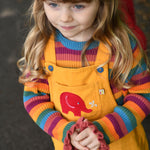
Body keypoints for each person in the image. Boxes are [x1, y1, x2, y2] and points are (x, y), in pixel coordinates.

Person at [17, 0, 150, 149]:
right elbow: (34, 99)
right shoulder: (40, 47)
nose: (64, 17)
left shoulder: (122, 46)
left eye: (78, 6)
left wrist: (105, 130)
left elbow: (143, 94)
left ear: (101, 4)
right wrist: (65, 131)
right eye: (53, 4)